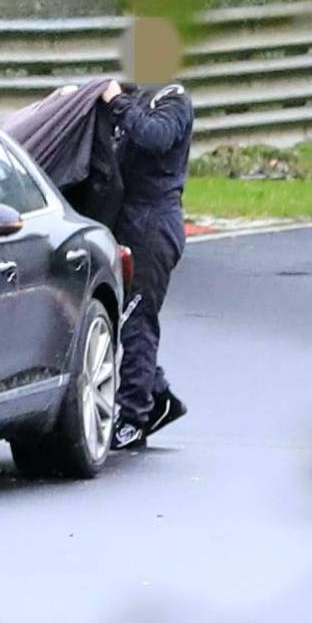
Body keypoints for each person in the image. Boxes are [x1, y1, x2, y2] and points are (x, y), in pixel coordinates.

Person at [100, 79, 193, 450]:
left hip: (153, 227)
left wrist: (117, 103)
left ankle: (133, 417)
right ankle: (156, 397)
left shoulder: (174, 99)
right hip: (131, 223)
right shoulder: (139, 96)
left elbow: (154, 136)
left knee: (136, 322)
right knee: (123, 319)